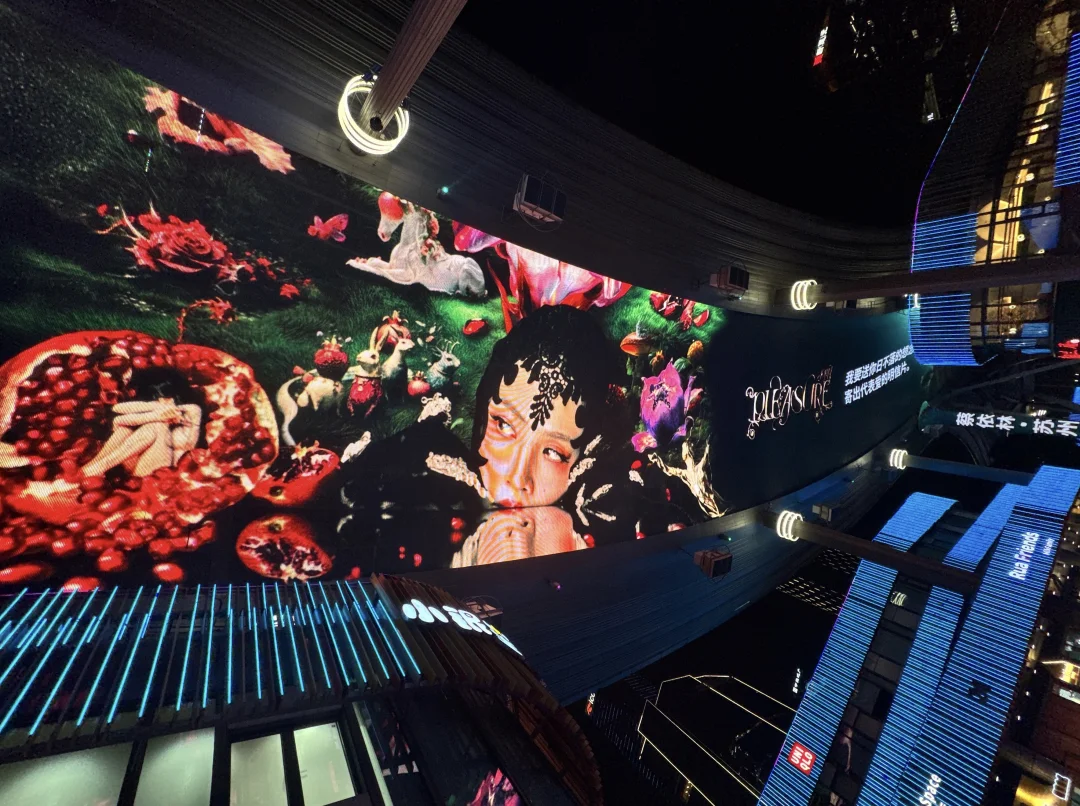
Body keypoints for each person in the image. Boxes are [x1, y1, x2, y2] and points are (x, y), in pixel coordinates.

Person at [81, 398, 202, 477]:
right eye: (160, 399)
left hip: (160, 470)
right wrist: (158, 412)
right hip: (134, 462)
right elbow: (118, 417)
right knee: (125, 429)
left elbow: (189, 445)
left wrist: (167, 416)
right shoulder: (160, 409)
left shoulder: (192, 411)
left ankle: (95, 469)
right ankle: (93, 466)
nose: (162, 400)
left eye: (167, 399)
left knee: (158, 426)